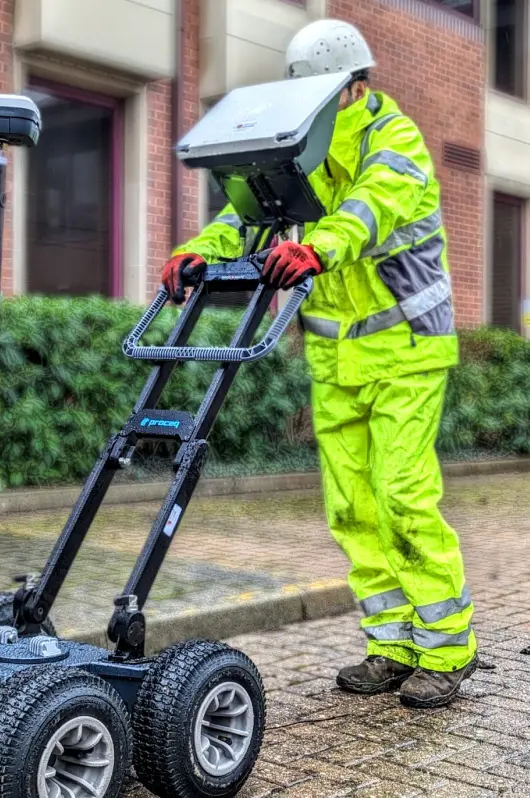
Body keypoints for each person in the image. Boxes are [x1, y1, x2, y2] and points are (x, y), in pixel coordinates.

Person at [161, 19, 477, 709]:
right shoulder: (305, 143)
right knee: (350, 506)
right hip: (337, 357)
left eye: (321, 92)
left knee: (400, 495)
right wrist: (200, 251)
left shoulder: (395, 141)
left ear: (354, 88)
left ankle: (448, 647)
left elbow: (371, 209)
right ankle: (392, 643)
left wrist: (320, 247)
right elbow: (249, 214)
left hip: (407, 350)